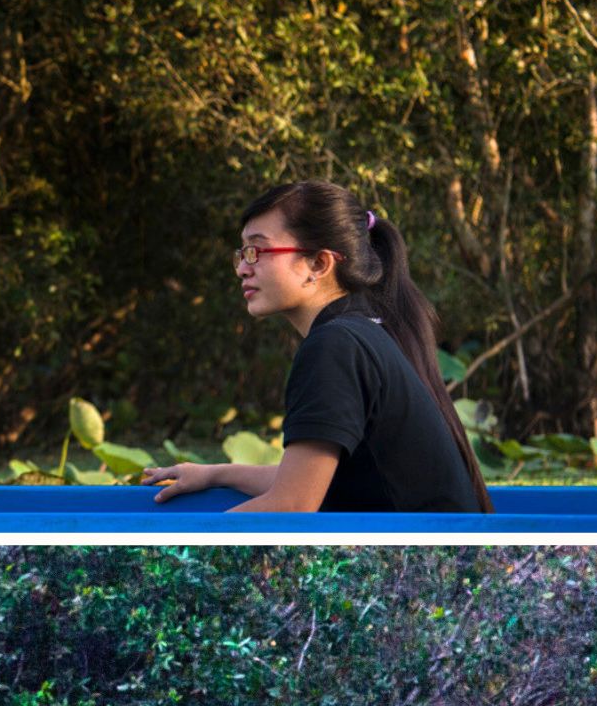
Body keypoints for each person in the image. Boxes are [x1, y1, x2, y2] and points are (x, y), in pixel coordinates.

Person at [142, 181, 492, 513]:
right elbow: (304, 482)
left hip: (423, 555)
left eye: (257, 251)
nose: (242, 269)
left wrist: (182, 540)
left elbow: (292, 505)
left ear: (319, 263)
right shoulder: (362, 331)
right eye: (242, 253)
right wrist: (215, 474)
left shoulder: (335, 346)